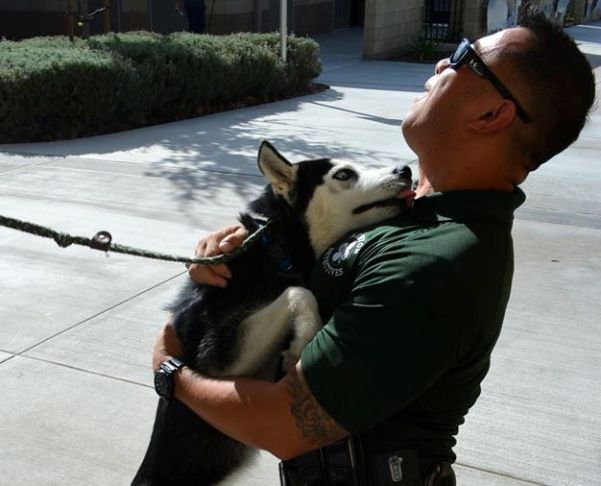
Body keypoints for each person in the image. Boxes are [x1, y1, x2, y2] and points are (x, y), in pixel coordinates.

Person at [152, 11, 595, 485]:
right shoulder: (422, 206)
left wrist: (170, 372)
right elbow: (316, 247)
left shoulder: (436, 262)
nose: (443, 63)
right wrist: (238, 253)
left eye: (466, 58)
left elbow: (285, 424)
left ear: (491, 114)